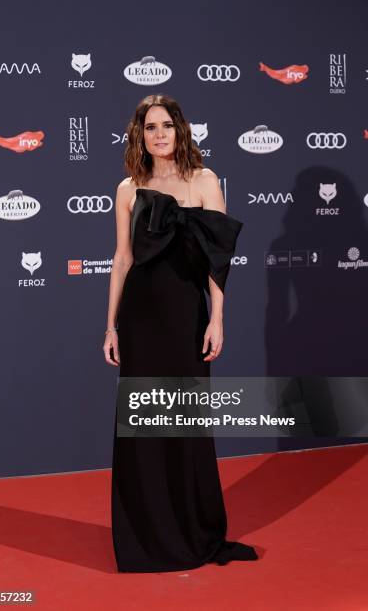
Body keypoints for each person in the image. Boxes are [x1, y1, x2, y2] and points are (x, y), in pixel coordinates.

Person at [103, 94, 258, 573]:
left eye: (167, 125)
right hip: (141, 318)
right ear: (140, 135)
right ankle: (145, 537)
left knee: (186, 425)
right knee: (143, 428)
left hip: (186, 316)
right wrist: (110, 324)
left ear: (181, 130)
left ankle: (192, 529)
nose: (160, 134)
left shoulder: (206, 181)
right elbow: (122, 259)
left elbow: (218, 261)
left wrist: (218, 318)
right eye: (150, 127)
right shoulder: (128, 189)